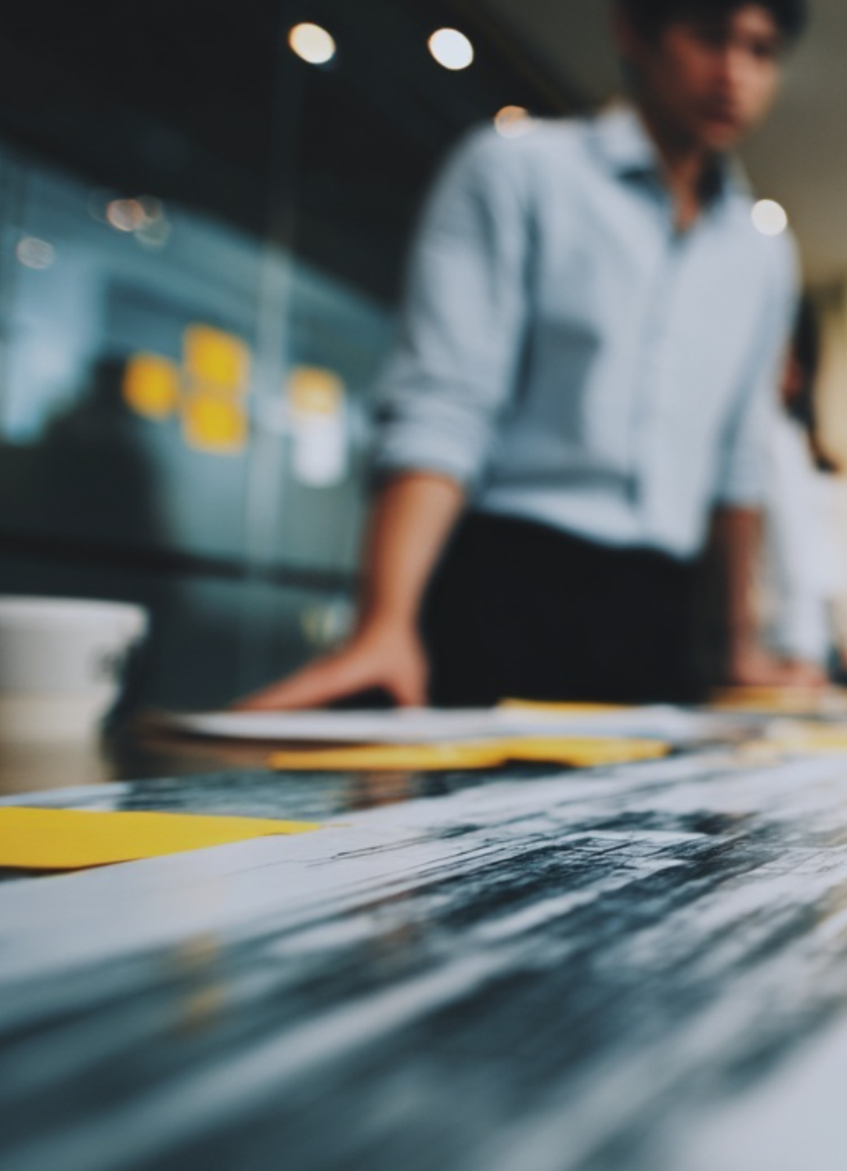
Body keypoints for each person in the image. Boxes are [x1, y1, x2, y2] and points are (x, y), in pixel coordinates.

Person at [243, 0, 807, 710]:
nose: (735, 74)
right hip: (503, 590)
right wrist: (384, 622)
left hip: (659, 617)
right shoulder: (517, 170)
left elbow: (738, 460)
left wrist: (737, 645)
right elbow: (446, 399)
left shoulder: (763, 256)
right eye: (710, 37)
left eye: (761, 51)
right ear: (634, 31)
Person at [754, 299, 847, 686]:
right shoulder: (767, 436)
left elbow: (818, 554)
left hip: (797, 639)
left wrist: (844, 639)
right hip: (776, 639)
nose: (793, 374)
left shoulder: (790, 439)